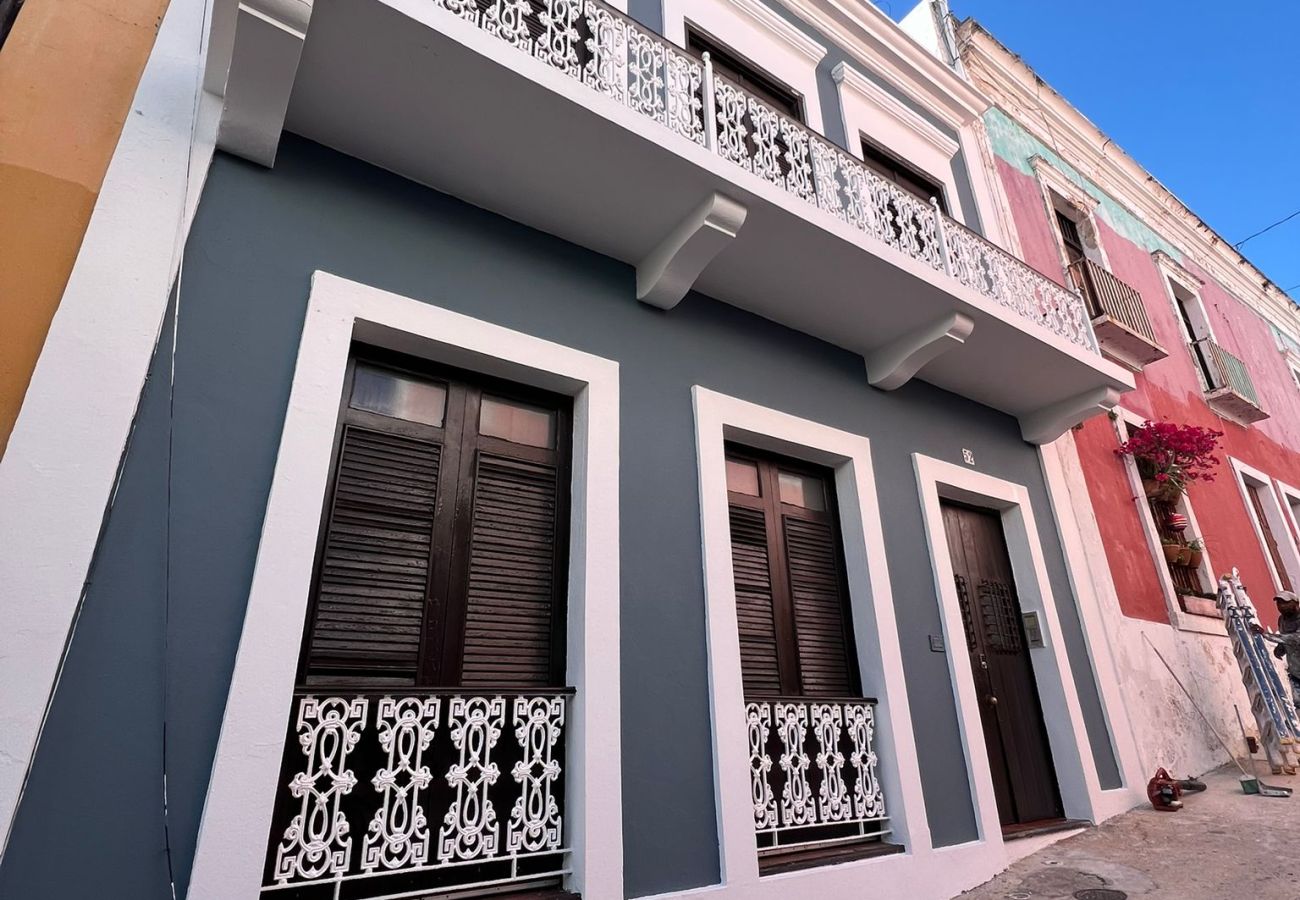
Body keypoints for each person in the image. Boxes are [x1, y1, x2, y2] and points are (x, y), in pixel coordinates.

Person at [1256, 592, 1300, 713]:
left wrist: (1266, 634)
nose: (1281, 606)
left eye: (1285, 603)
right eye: (1279, 603)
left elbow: (1294, 638)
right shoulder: (1282, 620)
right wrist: (1280, 649)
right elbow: (1284, 638)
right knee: (1298, 703)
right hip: (1295, 670)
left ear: (1296, 604)